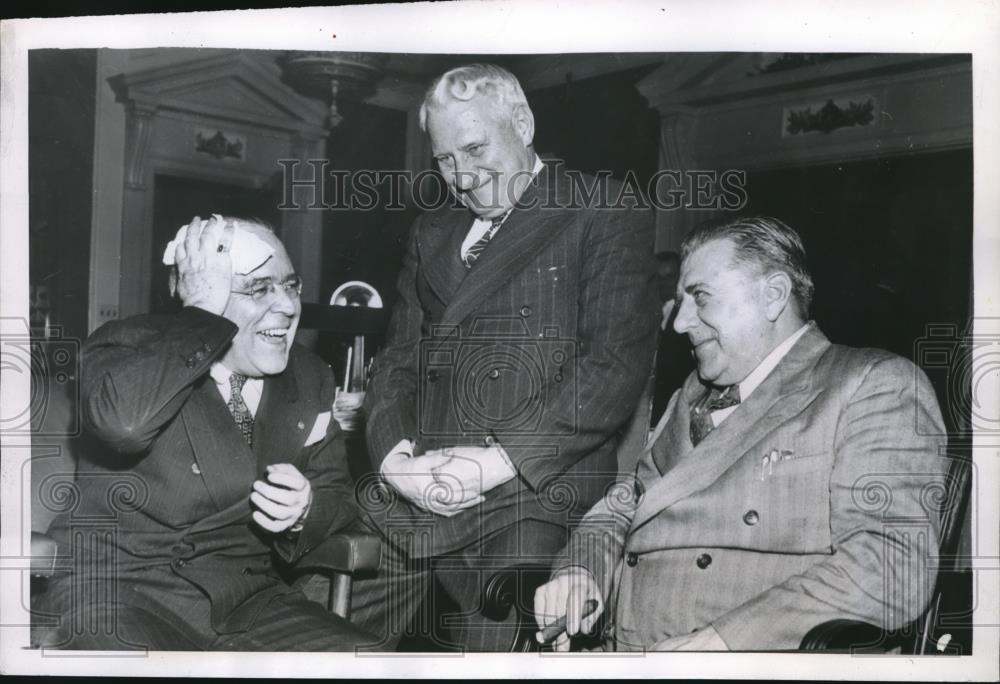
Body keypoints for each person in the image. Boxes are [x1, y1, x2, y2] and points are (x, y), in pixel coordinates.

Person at [533, 216, 949, 651]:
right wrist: (580, 571)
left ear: (772, 297)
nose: (678, 323)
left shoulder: (872, 384)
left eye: (701, 298)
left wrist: (725, 643)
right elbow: (624, 506)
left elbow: (890, 567)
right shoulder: (687, 396)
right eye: (680, 301)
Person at [353, 63, 658, 651]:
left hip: (535, 488)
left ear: (522, 121)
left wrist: (495, 463)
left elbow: (611, 368)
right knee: (317, 613)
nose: (462, 176)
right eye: (445, 160)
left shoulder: (601, 209)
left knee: (491, 640)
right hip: (420, 486)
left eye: (474, 147)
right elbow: (397, 361)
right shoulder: (430, 231)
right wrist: (396, 463)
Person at [35, 215, 376, 651]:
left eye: (290, 285)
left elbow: (336, 490)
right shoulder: (123, 346)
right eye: (258, 289)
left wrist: (306, 510)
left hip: (249, 604)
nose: (288, 307)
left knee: (364, 661)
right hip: (116, 595)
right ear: (202, 295)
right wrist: (201, 317)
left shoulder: (309, 376)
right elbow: (125, 425)